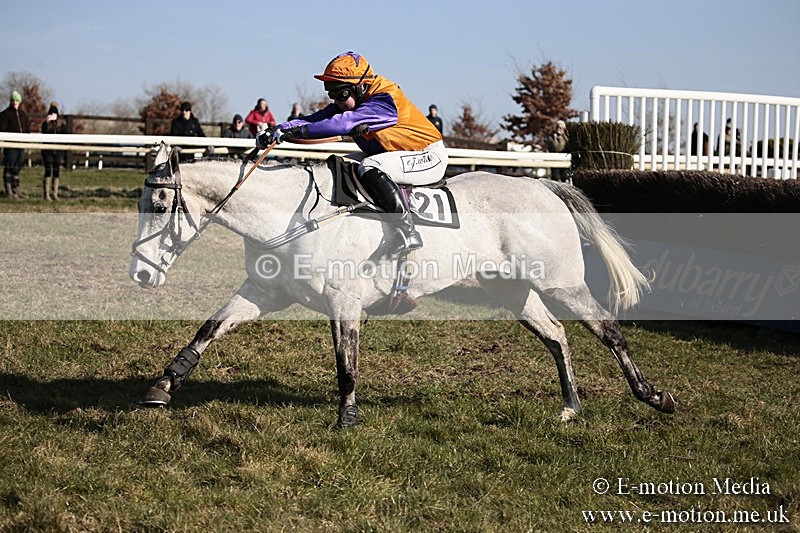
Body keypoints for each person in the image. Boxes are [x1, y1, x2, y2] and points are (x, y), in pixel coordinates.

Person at [256, 51, 447, 257]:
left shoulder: (384, 100)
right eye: (331, 93)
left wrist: (298, 132)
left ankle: (408, 233)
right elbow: (314, 120)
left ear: (361, 87)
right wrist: (277, 130)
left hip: (427, 156)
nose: (336, 100)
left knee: (370, 166)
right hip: (396, 154)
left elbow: (343, 123)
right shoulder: (358, 98)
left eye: (341, 94)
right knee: (338, 164)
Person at [0, 91, 31, 199]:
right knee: (9, 165)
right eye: (13, 100)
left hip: (20, 144)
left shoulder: (23, 115)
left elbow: (27, 128)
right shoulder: (5, 114)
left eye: (16, 100)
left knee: (17, 166)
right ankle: (8, 190)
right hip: (10, 145)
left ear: (19, 102)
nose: (14, 102)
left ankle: (16, 188)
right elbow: (2, 129)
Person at [41, 102, 67, 201]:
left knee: (56, 171)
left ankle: (55, 193)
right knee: (48, 170)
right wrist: (47, 124)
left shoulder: (61, 125)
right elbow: (44, 133)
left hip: (57, 151)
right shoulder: (45, 124)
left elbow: (65, 135)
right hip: (48, 151)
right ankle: (46, 194)